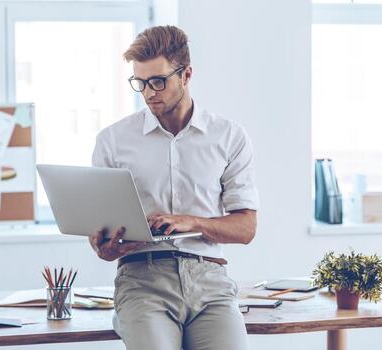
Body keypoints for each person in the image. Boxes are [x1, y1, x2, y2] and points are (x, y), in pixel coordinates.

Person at [89, 25, 259, 350]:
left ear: (186, 74)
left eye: (158, 81)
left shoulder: (228, 137)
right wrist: (104, 247)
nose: (149, 92)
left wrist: (192, 222)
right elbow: (99, 233)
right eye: (140, 83)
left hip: (210, 280)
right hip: (142, 279)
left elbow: (246, 227)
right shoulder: (113, 141)